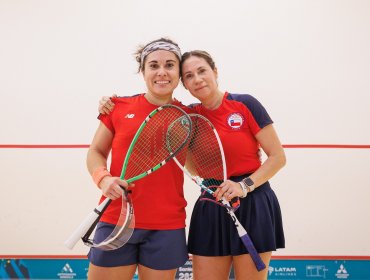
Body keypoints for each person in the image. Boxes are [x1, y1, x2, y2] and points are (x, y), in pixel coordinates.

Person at [99, 50, 286, 280]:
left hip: (252, 202)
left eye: (202, 71)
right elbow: (193, 167)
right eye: (188, 76)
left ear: (215, 72)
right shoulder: (187, 117)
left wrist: (244, 185)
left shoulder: (245, 104)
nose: (197, 79)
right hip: (211, 203)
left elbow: (278, 157)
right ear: (184, 84)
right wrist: (112, 102)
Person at [87, 38, 189, 280]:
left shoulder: (190, 116)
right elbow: (96, 152)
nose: (162, 72)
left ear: (179, 72)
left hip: (166, 225)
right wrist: (103, 179)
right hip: (116, 219)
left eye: (170, 65)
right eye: (153, 65)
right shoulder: (118, 107)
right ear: (142, 71)